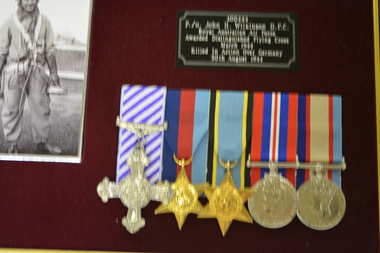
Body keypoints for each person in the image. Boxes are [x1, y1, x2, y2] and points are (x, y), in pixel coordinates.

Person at [0, 0, 61, 155]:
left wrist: (54, 73)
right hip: (14, 71)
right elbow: (2, 52)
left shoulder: (45, 22)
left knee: (42, 107)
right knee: (11, 108)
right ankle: (12, 144)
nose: (30, 2)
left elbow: (50, 50)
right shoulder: (9, 22)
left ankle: (41, 143)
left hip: (37, 71)